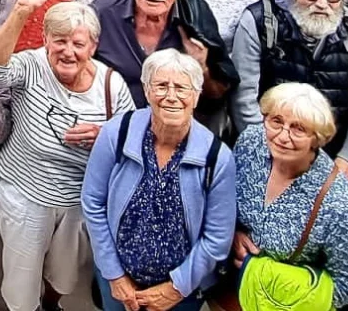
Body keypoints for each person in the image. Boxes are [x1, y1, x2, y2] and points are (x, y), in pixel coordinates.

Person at [0, 0, 134, 311]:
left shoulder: (111, 86)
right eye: (59, 40)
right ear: (45, 39)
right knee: (22, 278)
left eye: (79, 43)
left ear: (93, 46)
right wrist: (21, 10)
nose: (68, 51)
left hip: (78, 200)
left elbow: (130, 143)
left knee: (64, 276)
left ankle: (52, 304)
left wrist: (105, 137)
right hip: (25, 193)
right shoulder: (31, 65)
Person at [84, 50, 236, 311]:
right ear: (146, 90)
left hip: (181, 293)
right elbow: (92, 202)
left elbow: (217, 238)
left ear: (196, 96)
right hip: (120, 284)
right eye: (162, 86)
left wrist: (175, 289)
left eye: (181, 88)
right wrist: (115, 274)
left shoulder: (217, 157)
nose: (171, 96)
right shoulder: (116, 134)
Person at [229, 83, 348, 309]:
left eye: (298, 129)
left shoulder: (338, 205)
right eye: (276, 122)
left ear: (318, 138)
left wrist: (283, 287)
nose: (283, 136)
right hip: (229, 286)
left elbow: (347, 285)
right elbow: (224, 201)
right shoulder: (251, 143)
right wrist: (232, 233)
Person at [231, 0, 348, 177]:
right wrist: (271, 155)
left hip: (329, 157)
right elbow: (243, 98)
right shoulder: (260, 22)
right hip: (269, 151)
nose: (323, 4)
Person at [92, 0, 214, 107]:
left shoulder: (195, 16)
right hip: (111, 126)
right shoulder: (102, 13)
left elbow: (217, 97)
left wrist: (202, 67)